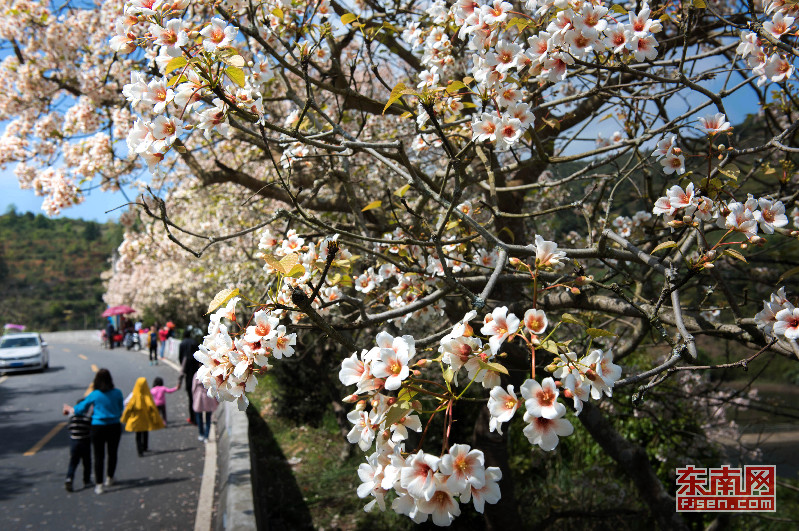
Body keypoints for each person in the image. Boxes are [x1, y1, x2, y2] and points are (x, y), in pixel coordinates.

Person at [69, 369, 123, 494]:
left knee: (99, 456)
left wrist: (72, 409)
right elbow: (120, 408)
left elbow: (80, 409)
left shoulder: (95, 394)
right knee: (112, 453)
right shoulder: (117, 393)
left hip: (98, 427)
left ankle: (99, 485)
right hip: (114, 426)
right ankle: (109, 477)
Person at [121, 377, 165, 457]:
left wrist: (125, 417)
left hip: (136, 420)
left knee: (138, 436)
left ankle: (139, 451)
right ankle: (145, 447)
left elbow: (127, 405)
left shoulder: (133, 395)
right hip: (145, 419)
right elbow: (152, 407)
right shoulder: (147, 396)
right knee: (145, 433)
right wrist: (156, 418)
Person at [61, 398, 92, 492]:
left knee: (73, 462)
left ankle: (69, 478)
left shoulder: (72, 418)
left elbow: (67, 412)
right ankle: (87, 480)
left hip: (74, 442)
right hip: (85, 442)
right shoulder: (87, 419)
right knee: (87, 462)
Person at [178, 329, 199, 423]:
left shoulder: (182, 344)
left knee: (191, 398)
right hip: (197, 377)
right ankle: (198, 419)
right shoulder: (195, 343)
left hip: (188, 377)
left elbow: (180, 359)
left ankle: (193, 418)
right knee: (197, 398)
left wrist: (179, 382)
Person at [192, 374, 218, 443]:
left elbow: (193, 388)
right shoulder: (211, 374)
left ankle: (201, 434)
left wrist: (193, 397)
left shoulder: (197, 374)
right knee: (208, 418)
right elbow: (215, 387)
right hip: (208, 396)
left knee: (199, 416)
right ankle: (206, 436)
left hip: (199, 396)